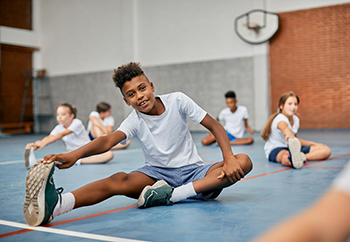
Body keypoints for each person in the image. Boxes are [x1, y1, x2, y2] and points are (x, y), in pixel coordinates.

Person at [23, 62, 253, 227]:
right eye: (131, 94)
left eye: (142, 88)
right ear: (126, 100)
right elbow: (107, 140)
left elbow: (215, 126)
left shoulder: (178, 100)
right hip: (155, 176)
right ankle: (58, 205)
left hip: (195, 171)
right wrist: (74, 154)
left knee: (243, 161)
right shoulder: (135, 119)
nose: (139, 96)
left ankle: (173, 195)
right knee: (117, 180)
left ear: (151, 85)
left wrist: (229, 158)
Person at [254, 161, 350, 242]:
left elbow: (322, 227)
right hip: (279, 152)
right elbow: (323, 227)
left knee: (324, 150)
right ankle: (292, 158)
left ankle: (299, 157)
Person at [24, 103, 114, 169]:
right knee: (54, 157)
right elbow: (49, 137)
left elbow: (62, 134)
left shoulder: (77, 123)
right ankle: (36, 163)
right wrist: (39, 143)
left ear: (71, 116)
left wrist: (45, 143)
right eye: (58, 115)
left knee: (109, 155)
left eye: (63, 115)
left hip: (87, 152)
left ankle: (77, 160)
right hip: (71, 152)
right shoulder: (58, 127)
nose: (59, 117)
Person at [260, 91, 331, 169]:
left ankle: (302, 157)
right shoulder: (280, 118)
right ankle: (290, 159)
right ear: (281, 106)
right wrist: (288, 134)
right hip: (276, 149)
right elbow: (284, 127)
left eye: (295, 104)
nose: (293, 107)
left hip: (292, 148)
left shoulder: (296, 119)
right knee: (285, 156)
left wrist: (314, 144)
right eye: (289, 104)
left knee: (326, 150)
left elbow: (296, 139)